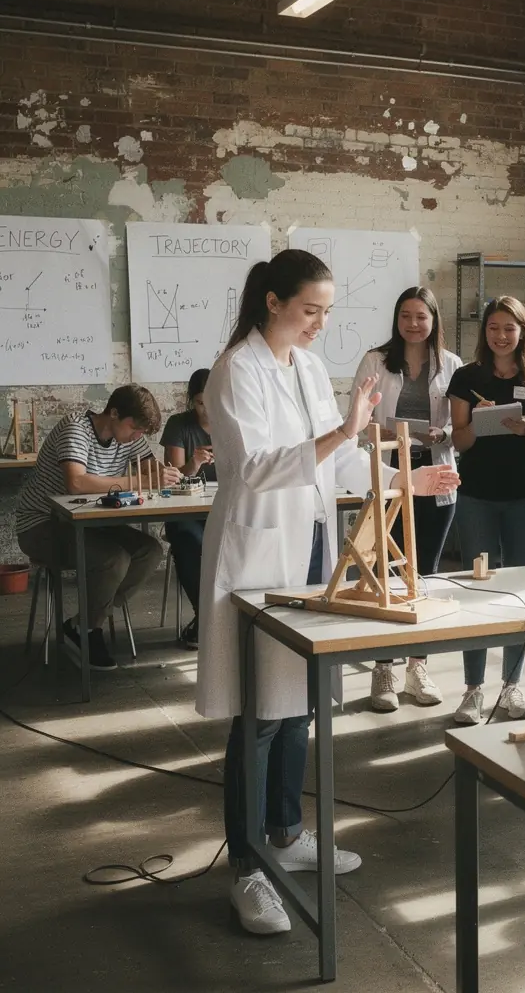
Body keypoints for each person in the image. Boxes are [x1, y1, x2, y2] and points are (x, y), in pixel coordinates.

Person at [197, 250, 458, 936]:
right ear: (273, 302)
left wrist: (409, 483)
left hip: (311, 550)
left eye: (326, 312)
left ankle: (286, 833)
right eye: (310, 310)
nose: (319, 324)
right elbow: (252, 469)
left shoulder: (309, 368)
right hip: (258, 551)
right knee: (258, 714)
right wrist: (344, 430)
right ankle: (248, 869)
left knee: (300, 706)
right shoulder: (236, 370)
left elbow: (342, 458)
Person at [16, 385, 180, 669]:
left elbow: (149, 469)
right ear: (113, 413)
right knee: (113, 559)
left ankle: (84, 623)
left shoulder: (130, 436)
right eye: (134, 428)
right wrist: (140, 482)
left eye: (142, 432)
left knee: (150, 550)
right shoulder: (75, 429)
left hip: (93, 522)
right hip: (42, 523)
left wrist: (165, 474)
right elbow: (76, 483)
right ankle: (90, 629)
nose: (137, 436)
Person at [352, 286, 462, 712]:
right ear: (396, 320)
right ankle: (384, 668)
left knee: (426, 575)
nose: (413, 324)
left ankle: (418, 665)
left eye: (422, 316)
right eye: (406, 316)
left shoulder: (451, 364)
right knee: (385, 573)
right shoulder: (375, 361)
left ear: (434, 320)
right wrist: (392, 436)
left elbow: (460, 423)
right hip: (392, 476)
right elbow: (360, 424)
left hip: (435, 477)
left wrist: (442, 434)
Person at [447, 295, 525, 725]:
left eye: (510, 328)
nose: (501, 335)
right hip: (478, 495)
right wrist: (476, 422)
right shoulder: (466, 376)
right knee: (478, 588)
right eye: (493, 328)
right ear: (483, 332)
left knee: (518, 591)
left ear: (523, 331)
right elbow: (460, 442)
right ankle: (472, 690)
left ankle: (512, 686)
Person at [160, 367, 215, 650]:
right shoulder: (179, 424)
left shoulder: (234, 422)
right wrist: (193, 465)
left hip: (222, 508)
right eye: (199, 403)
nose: (206, 410)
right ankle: (205, 615)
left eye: (211, 402)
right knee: (190, 539)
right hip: (185, 510)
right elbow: (171, 480)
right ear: (191, 402)